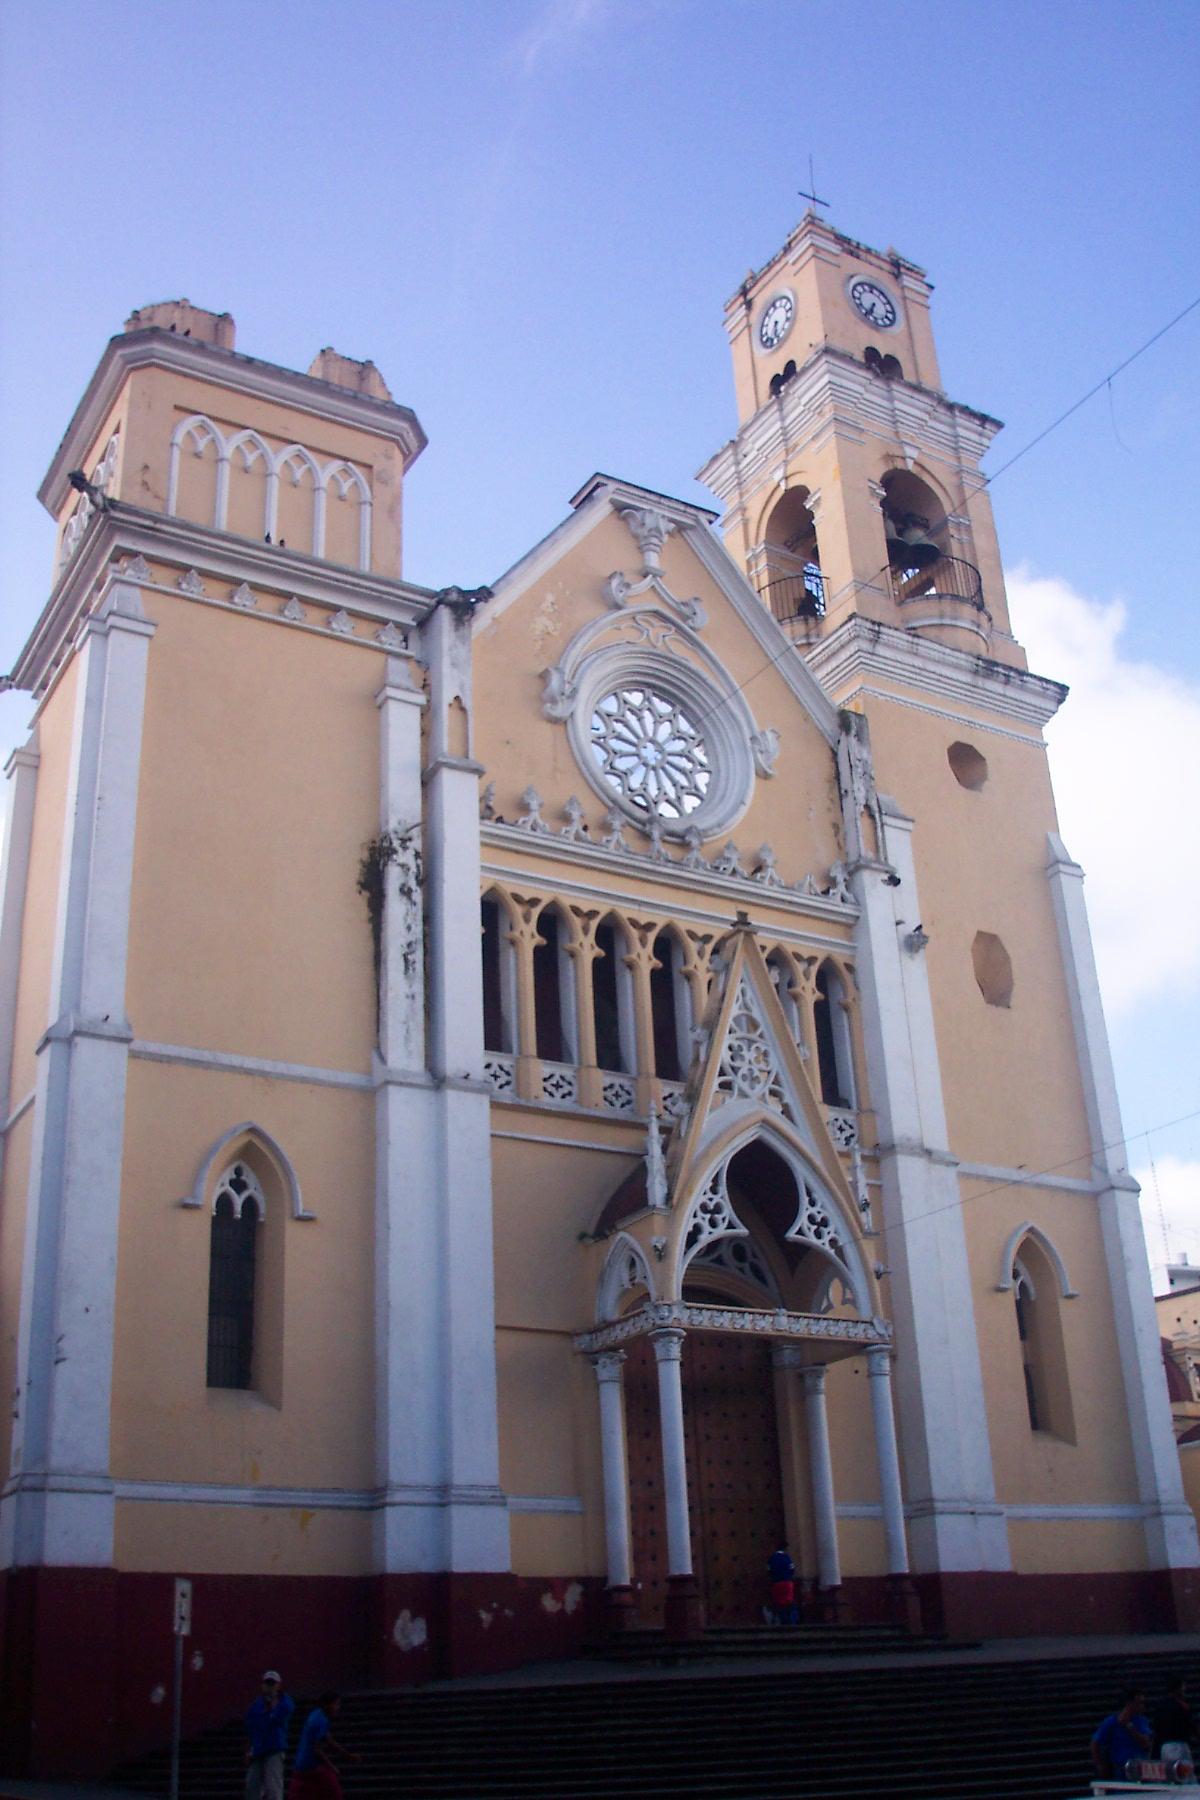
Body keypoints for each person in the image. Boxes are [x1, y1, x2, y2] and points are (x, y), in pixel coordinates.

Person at [287, 1692, 360, 1799]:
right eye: (336, 1704)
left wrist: (347, 1755)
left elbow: (329, 1740)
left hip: (302, 1765)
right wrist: (332, 1766)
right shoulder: (320, 1721)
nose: (338, 1708)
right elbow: (317, 1750)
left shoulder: (316, 1715)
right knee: (334, 1792)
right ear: (327, 1705)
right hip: (311, 1766)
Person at [244, 1670, 294, 1800]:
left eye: (272, 1683)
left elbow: (281, 1716)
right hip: (258, 1749)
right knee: (252, 1786)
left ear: (278, 1685)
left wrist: (273, 1706)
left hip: (274, 1748)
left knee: (273, 1787)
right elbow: (250, 1727)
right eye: (267, 1683)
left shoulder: (284, 1702)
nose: (269, 1686)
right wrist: (249, 1749)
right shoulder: (256, 1705)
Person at [1091, 1687, 1152, 1780]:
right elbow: (1095, 1743)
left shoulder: (1142, 1721)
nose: (1143, 1706)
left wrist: (1130, 1727)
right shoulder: (1111, 1722)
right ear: (1130, 1703)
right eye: (1140, 1703)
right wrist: (1099, 1765)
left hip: (1139, 1767)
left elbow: (1146, 1744)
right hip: (1120, 1769)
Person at [1152, 1672, 1197, 1757]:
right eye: (1183, 1686)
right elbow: (1190, 1723)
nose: (1184, 1689)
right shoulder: (1181, 1705)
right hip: (1179, 1744)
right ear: (1178, 1688)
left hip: (1165, 1746)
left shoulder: (1161, 1705)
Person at [767, 1544, 798, 1628]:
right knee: (788, 1602)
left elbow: (769, 1570)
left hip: (776, 1583)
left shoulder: (772, 1558)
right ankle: (790, 1622)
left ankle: (781, 1620)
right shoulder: (787, 1557)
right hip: (787, 1583)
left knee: (778, 1602)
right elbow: (792, 1569)